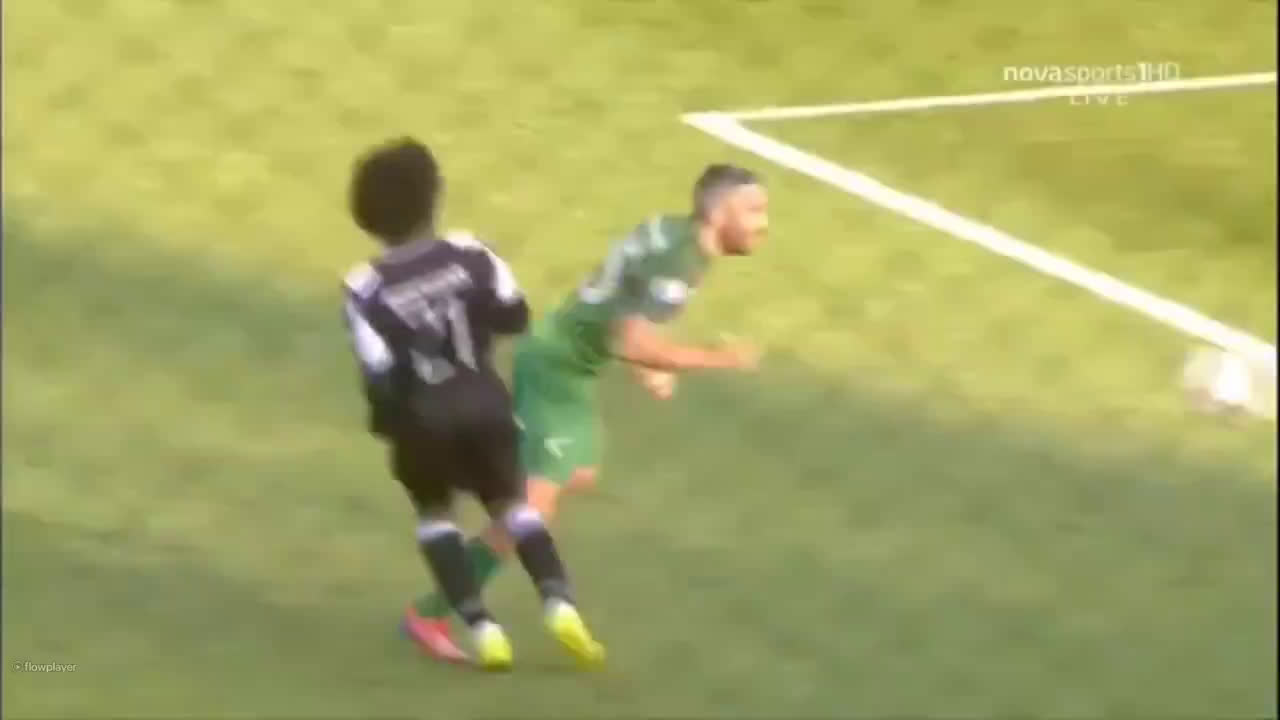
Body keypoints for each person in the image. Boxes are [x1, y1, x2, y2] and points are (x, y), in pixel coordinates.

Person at [406, 164, 767, 661]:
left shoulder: (675, 235)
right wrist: (719, 359)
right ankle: (431, 612)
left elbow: (624, 306)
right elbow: (632, 341)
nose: (762, 223)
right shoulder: (681, 261)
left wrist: (650, 365)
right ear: (720, 211)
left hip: (571, 365)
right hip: (556, 369)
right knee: (533, 508)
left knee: (578, 473)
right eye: (753, 210)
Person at [342, 137, 604, 670]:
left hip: (420, 416)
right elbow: (515, 315)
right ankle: (559, 603)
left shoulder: (364, 288)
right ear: (433, 197)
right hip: (484, 401)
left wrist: (389, 426)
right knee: (514, 506)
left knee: (435, 514)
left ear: (366, 217)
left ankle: (482, 628)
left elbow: (379, 374)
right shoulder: (472, 253)